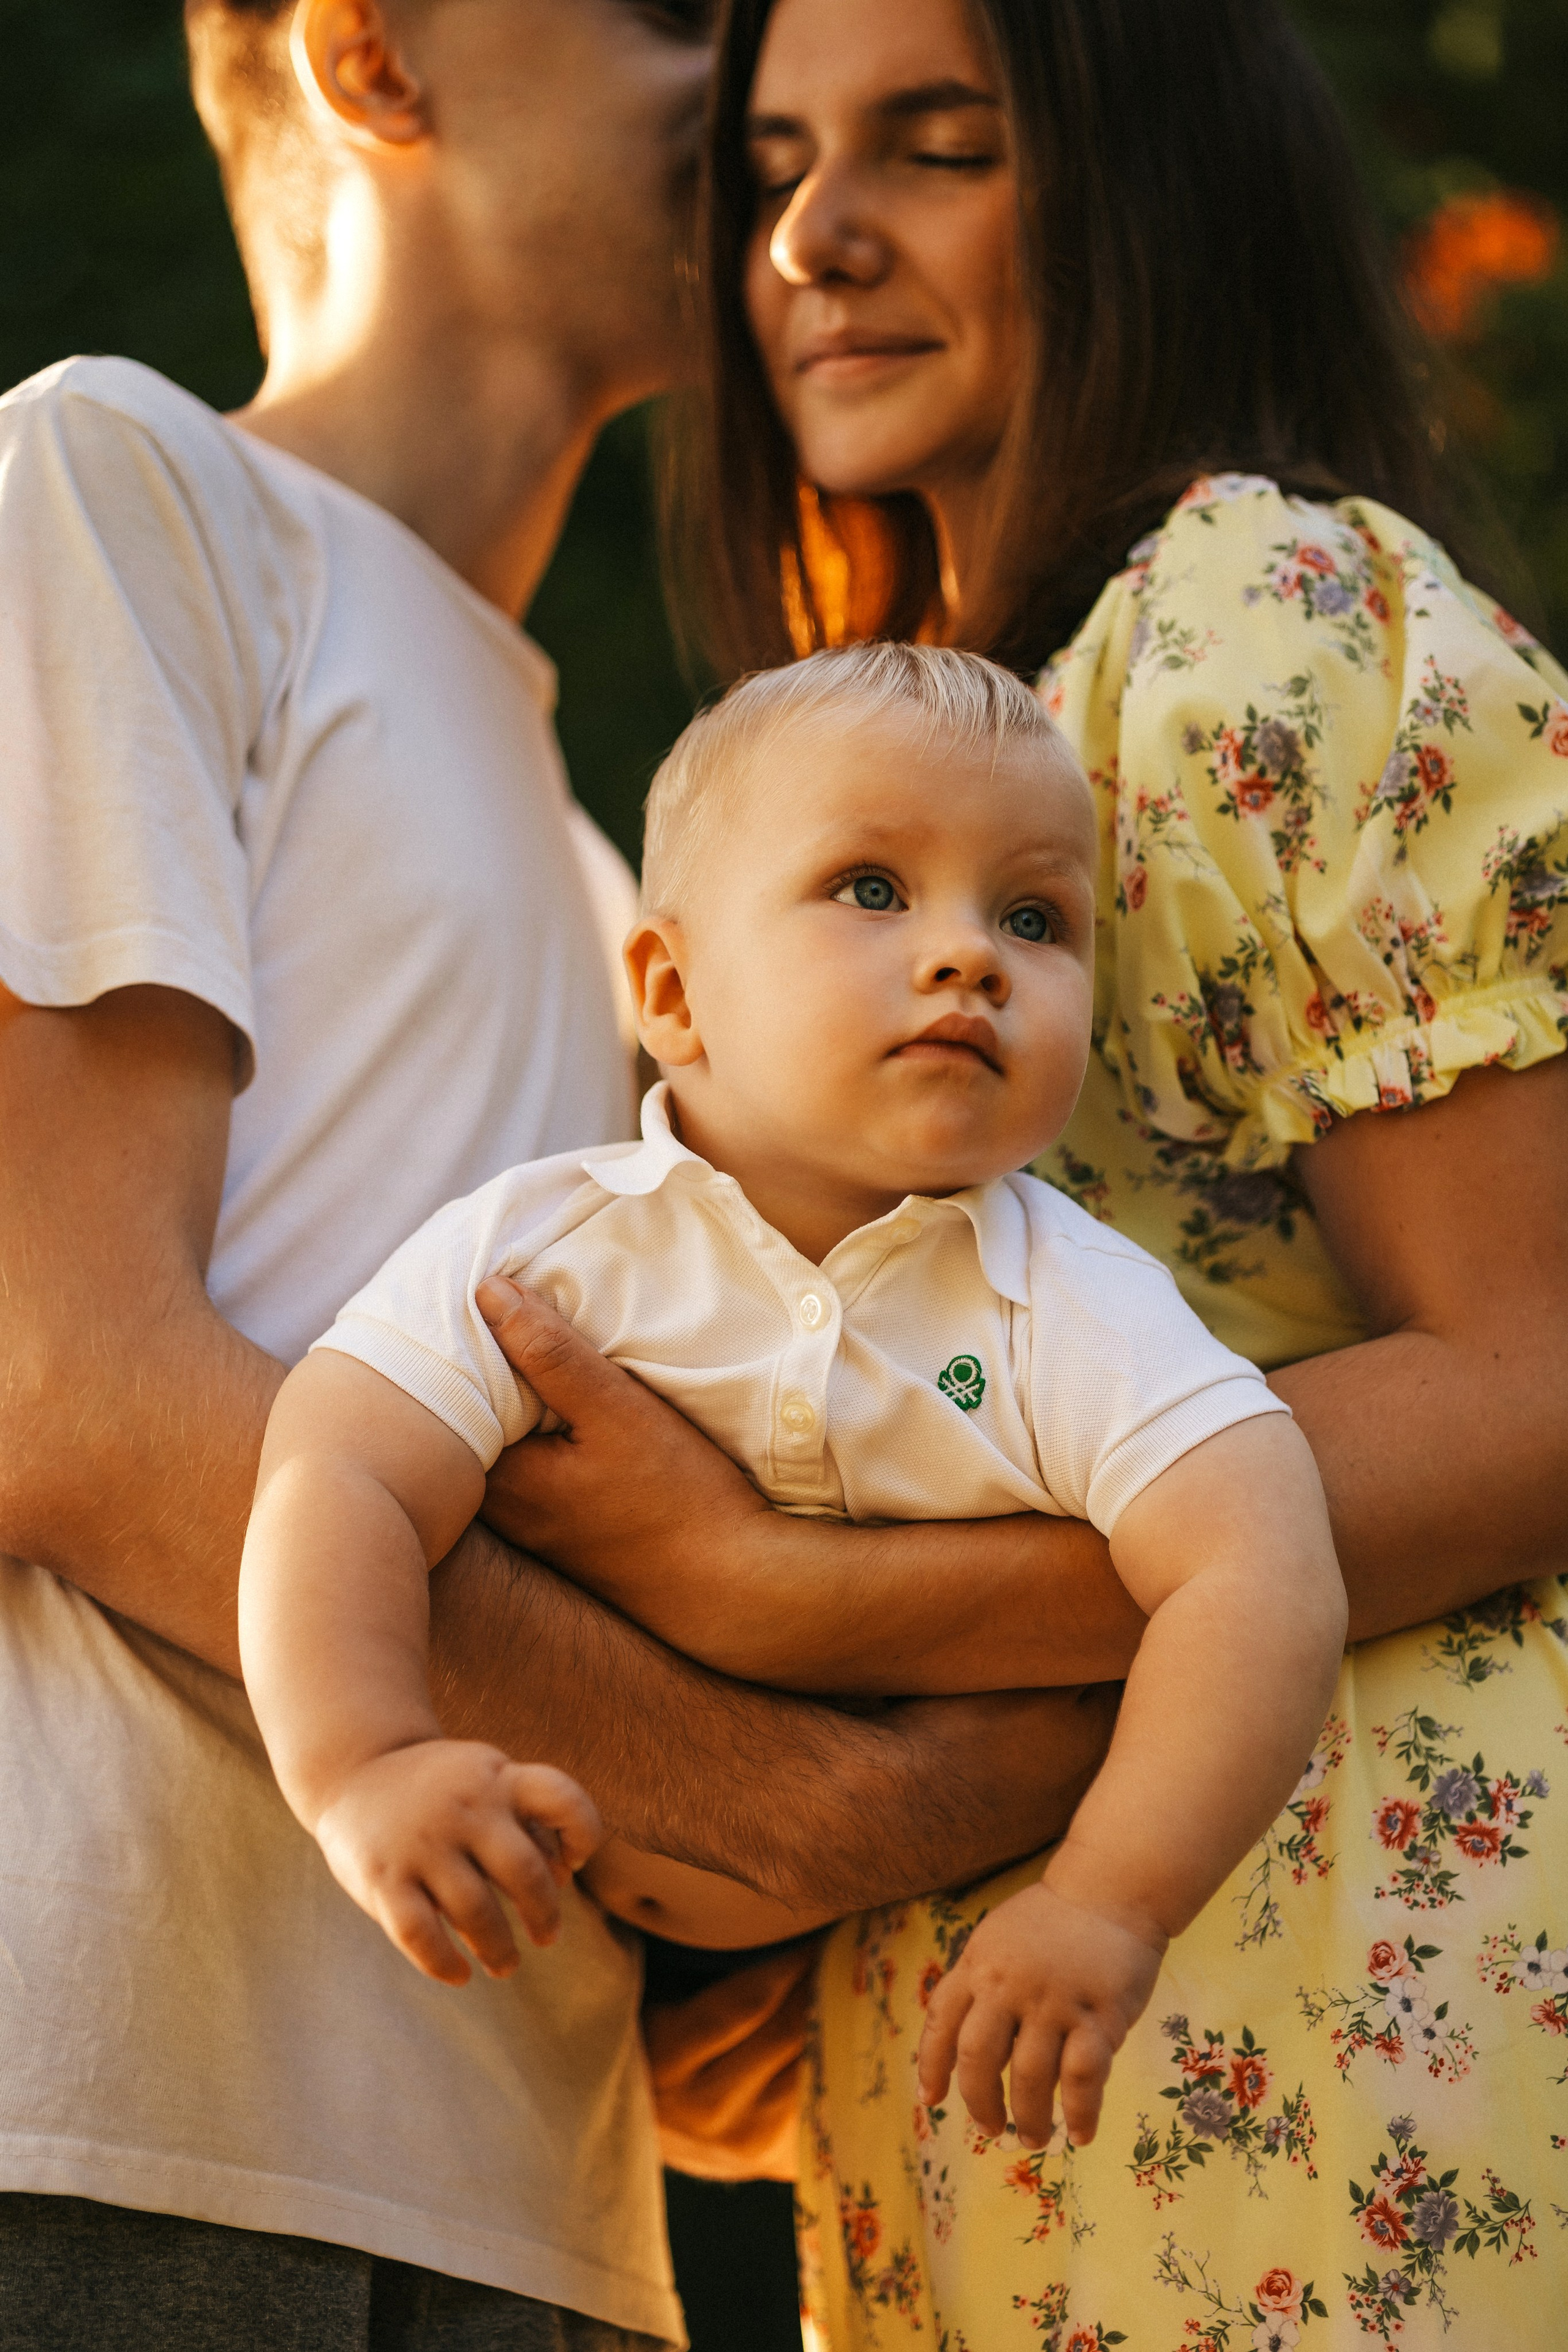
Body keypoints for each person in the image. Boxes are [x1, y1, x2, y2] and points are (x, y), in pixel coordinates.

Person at [0, 4, 1115, 2345]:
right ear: (372, 61)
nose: (735, 68)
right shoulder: (113, 490)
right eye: (657, 15)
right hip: (106, 2132)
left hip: (539, 2215)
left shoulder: (636, 870)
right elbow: (53, 1375)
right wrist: (821, 1794)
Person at [464, 0, 1568, 2339]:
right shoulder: (912, 758)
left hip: (1351, 2022)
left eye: (936, 149)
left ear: (1145, 188)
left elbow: (1543, 1375)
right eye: (768, 164)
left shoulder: (1245, 613)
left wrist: (795, 1602)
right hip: (1036, 2105)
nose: (811, 241)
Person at [236, 643, 1346, 2154]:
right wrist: (362, 1757)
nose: (970, 956)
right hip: (569, 1928)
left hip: (935, 1959)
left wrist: (1105, 1898)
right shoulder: (548, 1251)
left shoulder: (1063, 1302)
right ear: (674, 992)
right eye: (873, 891)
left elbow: (1256, 1565)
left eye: (1033, 918)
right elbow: (336, 1470)